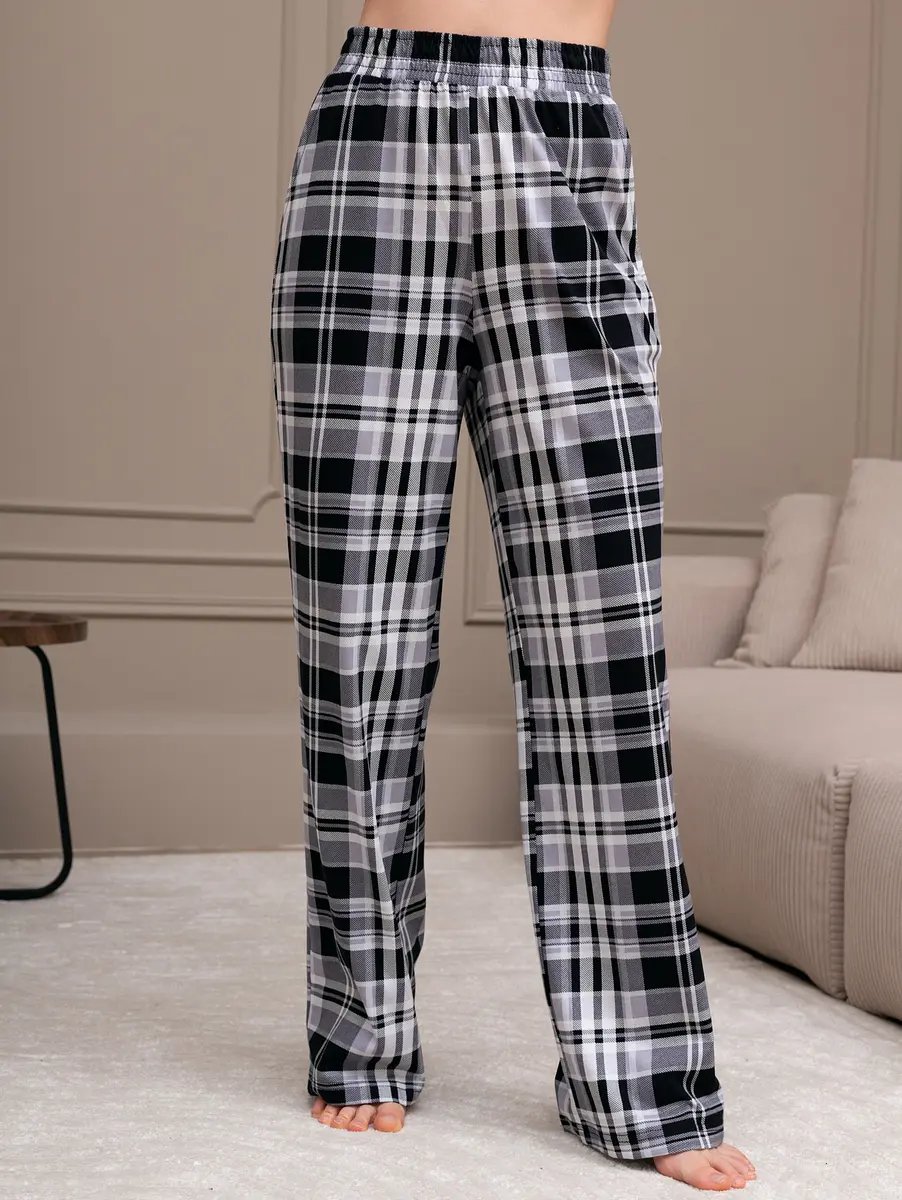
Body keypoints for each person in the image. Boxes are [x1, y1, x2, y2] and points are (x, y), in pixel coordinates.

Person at [270, 0, 757, 1191]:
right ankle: (361, 1028)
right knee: (356, 641)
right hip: (375, 126)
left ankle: (639, 1074)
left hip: (561, 124)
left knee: (602, 650)